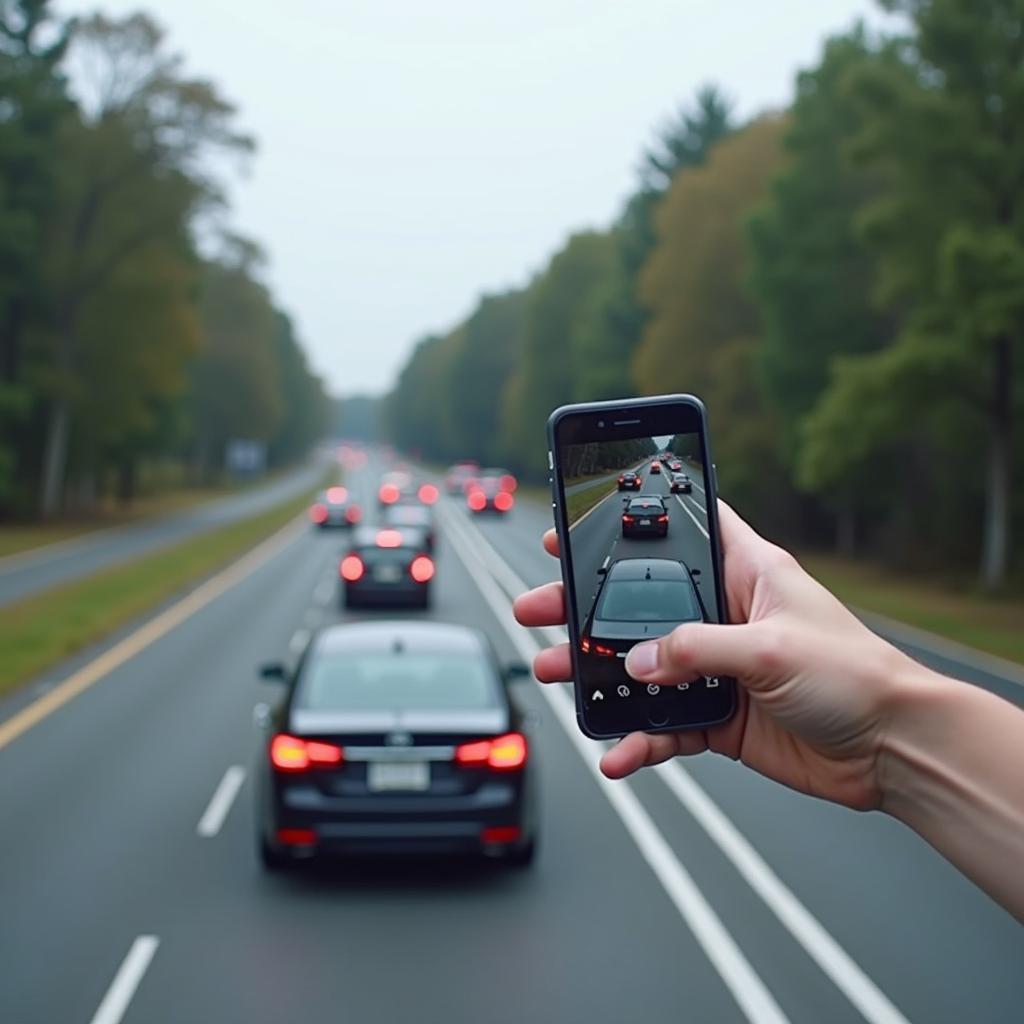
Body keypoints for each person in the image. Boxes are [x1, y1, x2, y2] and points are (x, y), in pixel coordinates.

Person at [513, 501, 1024, 922]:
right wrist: (883, 740)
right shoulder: (690, 582)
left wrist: (883, 741)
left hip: (606, 653)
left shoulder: (600, 617)